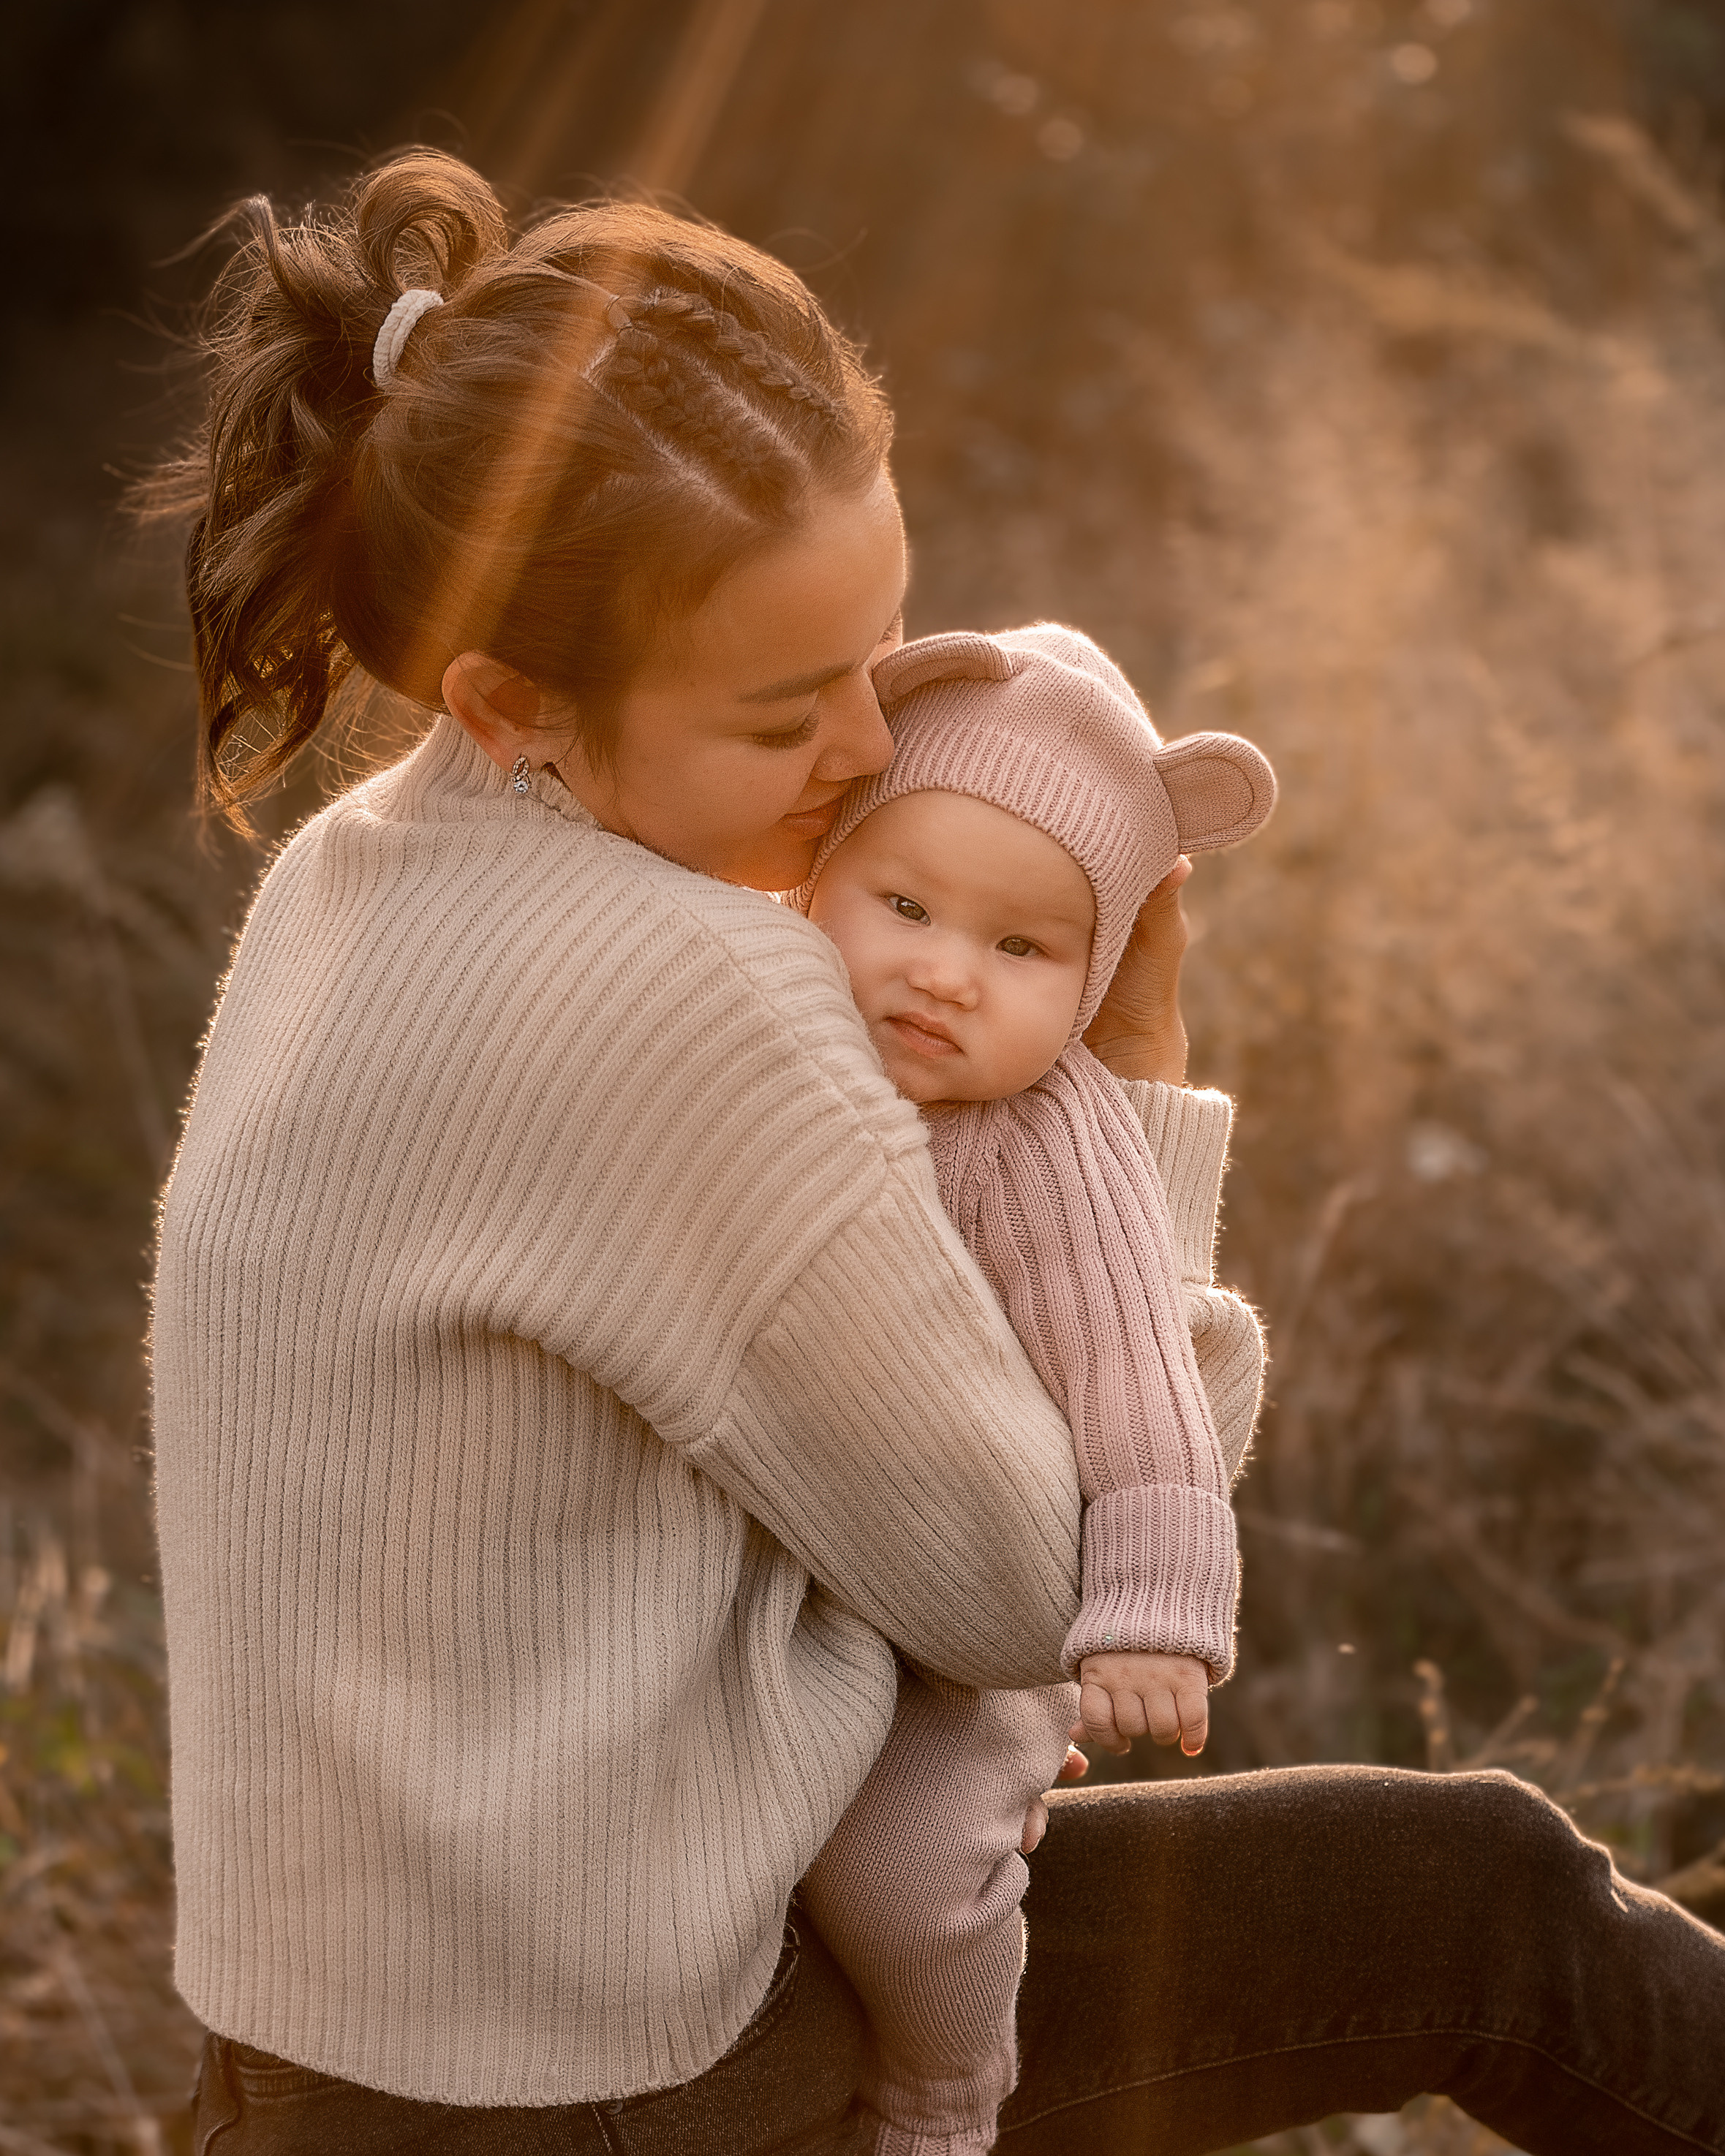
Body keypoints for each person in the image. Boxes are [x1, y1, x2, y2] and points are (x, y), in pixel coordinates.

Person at [144, 148, 1725, 2155]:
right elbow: (1035, 1586)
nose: (875, 753)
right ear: (514, 695)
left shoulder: (354, 873)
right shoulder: (698, 988)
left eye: (883, 659)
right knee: (1486, 1911)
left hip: (306, 2071)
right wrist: (1130, 1090)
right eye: (790, 705)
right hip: (621, 2090)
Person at [795, 621, 1276, 2156]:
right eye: (907, 904)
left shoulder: (1046, 1139)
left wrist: (1147, 1612)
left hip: (959, 1655)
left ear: (1088, 981)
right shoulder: (755, 1032)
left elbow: (1135, 1378)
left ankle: (944, 2096)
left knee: (907, 1871)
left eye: (1020, 949)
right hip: (781, 1587)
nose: (944, 971)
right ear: (819, 878)